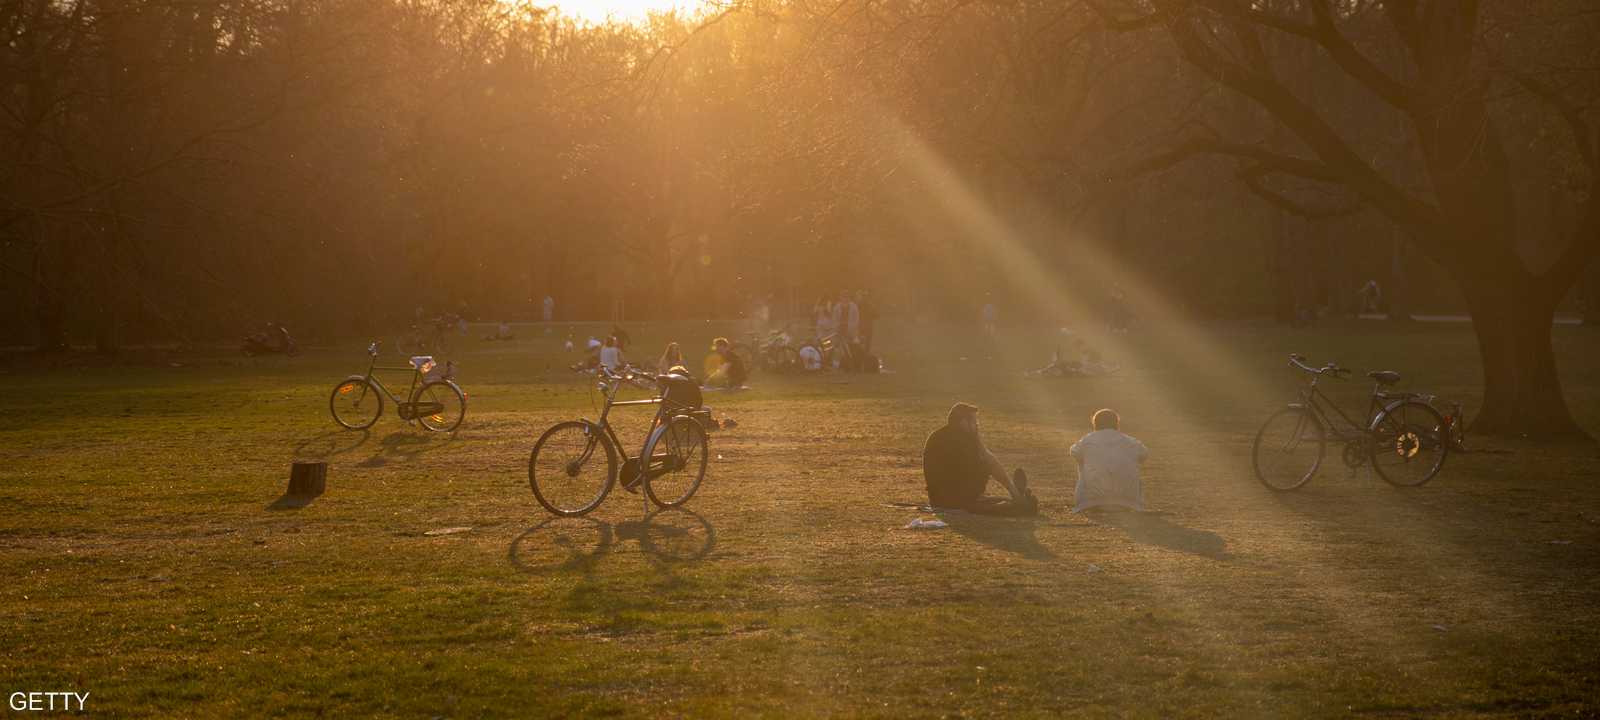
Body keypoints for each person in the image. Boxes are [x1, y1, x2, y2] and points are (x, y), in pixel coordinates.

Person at [922, 403, 1038, 516]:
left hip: (942, 499)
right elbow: (988, 460)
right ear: (963, 422)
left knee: (1004, 500)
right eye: (974, 421)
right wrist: (1012, 490)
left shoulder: (944, 435)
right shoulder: (960, 440)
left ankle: (1017, 499)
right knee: (986, 466)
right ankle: (1018, 503)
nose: (977, 425)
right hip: (955, 501)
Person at [1069, 409, 1148, 512]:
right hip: (1128, 500)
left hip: (1091, 500)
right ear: (1116, 424)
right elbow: (1144, 454)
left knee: (1083, 463)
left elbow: (1074, 452)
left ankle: (1094, 490)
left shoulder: (1086, 440)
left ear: (1095, 424)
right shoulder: (1131, 442)